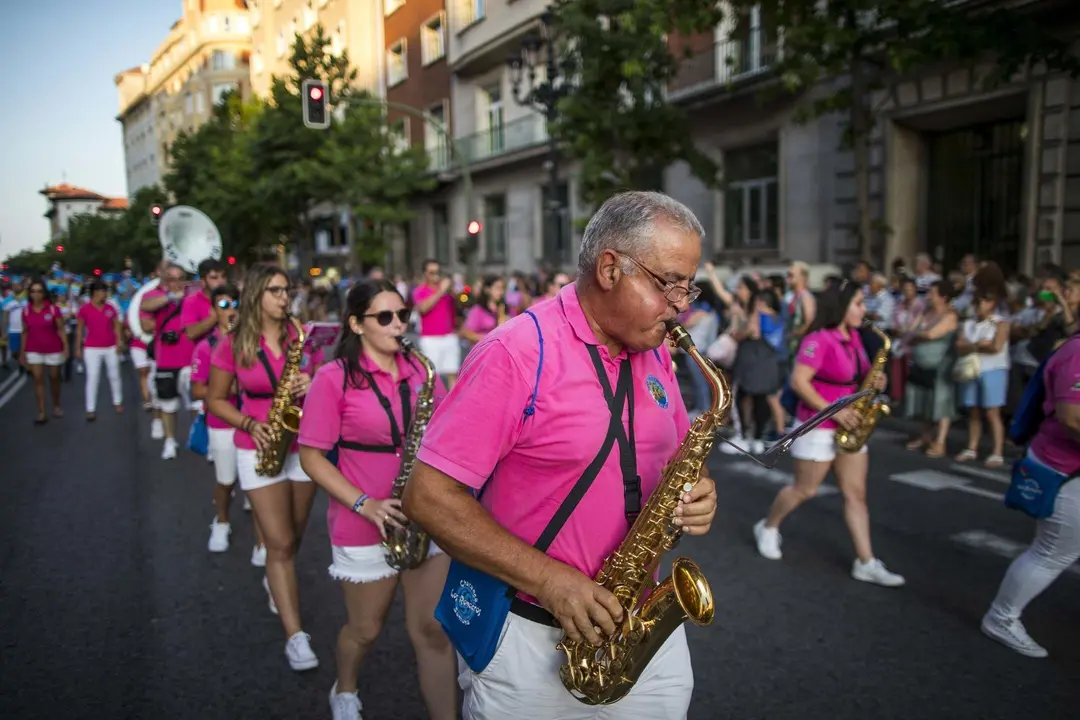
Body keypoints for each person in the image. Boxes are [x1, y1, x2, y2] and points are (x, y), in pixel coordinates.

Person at [402, 191, 719, 719]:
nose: (680, 305)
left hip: (641, 627)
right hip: (527, 635)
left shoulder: (657, 351)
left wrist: (700, 490)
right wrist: (549, 579)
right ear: (611, 269)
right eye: (668, 284)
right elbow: (428, 497)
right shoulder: (515, 353)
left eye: (688, 287)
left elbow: (683, 451)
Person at [298, 279, 456, 720]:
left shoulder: (421, 372)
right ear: (356, 323)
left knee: (433, 633)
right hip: (363, 521)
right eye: (384, 317)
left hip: (424, 517)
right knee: (365, 629)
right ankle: (345, 686)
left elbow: (445, 433)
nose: (398, 324)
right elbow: (311, 457)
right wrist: (364, 504)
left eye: (402, 315)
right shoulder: (334, 379)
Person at [753, 281, 905, 587]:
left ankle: (866, 561)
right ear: (841, 306)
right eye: (859, 303)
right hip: (817, 424)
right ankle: (768, 526)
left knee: (856, 496)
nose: (865, 310)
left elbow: (854, 377)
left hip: (850, 425)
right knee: (804, 489)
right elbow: (799, 382)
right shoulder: (819, 339)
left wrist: (875, 381)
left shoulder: (856, 339)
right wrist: (834, 410)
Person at [206, 264, 318, 672]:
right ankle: (296, 636)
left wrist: (312, 378)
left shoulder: (299, 335)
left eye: (286, 290)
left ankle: (278, 578)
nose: (283, 298)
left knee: (295, 534)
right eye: (274, 290)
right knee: (279, 542)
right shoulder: (232, 343)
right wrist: (250, 424)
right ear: (256, 294)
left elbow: (328, 373)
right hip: (258, 445)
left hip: (302, 443)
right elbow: (215, 400)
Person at [981, 333, 1080, 658]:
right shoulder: (1078, 351)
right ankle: (1002, 617)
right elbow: (1071, 417)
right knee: (1052, 552)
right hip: (1064, 467)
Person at [190, 284, 266, 562]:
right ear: (214, 311)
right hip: (222, 423)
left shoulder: (256, 342)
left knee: (260, 486)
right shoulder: (206, 346)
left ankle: (262, 543)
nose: (231, 310)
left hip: (255, 421)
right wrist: (231, 388)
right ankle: (221, 521)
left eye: (236, 303)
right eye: (223, 305)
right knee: (226, 480)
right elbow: (198, 391)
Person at [141, 263, 194, 459]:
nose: (177, 283)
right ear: (164, 281)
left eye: (180, 278)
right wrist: (171, 298)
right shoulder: (152, 297)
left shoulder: (193, 296)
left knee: (196, 404)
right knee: (168, 405)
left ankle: (199, 439)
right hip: (166, 360)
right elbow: (146, 315)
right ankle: (170, 441)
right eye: (172, 279)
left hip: (191, 358)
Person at [182, 258, 228, 419]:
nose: (220, 281)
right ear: (203, 281)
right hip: (204, 366)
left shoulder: (231, 299)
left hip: (230, 361)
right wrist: (214, 317)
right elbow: (191, 333)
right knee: (203, 415)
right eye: (214, 278)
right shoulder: (191, 301)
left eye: (223, 276)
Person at [20, 278, 68, 424]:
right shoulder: (26, 310)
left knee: (54, 378)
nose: (36, 294)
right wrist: (22, 353)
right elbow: (25, 332)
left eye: (39, 291)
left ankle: (56, 405)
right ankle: (41, 412)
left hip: (53, 349)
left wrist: (65, 347)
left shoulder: (53, 309)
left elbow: (60, 329)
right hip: (34, 349)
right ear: (29, 293)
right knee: (38, 379)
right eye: (33, 291)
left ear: (44, 293)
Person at [75, 281, 124, 421]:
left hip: (110, 347)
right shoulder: (85, 309)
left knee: (114, 375)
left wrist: (119, 342)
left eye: (105, 291)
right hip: (91, 348)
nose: (105, 294)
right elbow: (79, 330)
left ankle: (117, 402)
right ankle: (90, 409)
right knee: (93, 377)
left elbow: (116, 326)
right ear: (95, 292)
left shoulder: (110, 308)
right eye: (102, 291)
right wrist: (78, 347)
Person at [412, 259, 461, 389]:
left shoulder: (447, 292)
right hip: (430, 338)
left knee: (453, 374)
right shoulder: (420, 291)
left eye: (438, 272)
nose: (436, 275)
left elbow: (460, 307)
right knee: (431, 376)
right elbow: (423, 308)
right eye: (432, 272)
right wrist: (440, 291)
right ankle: (434, 407)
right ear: (425, 274)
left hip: (449, 336)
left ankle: (453, 406)